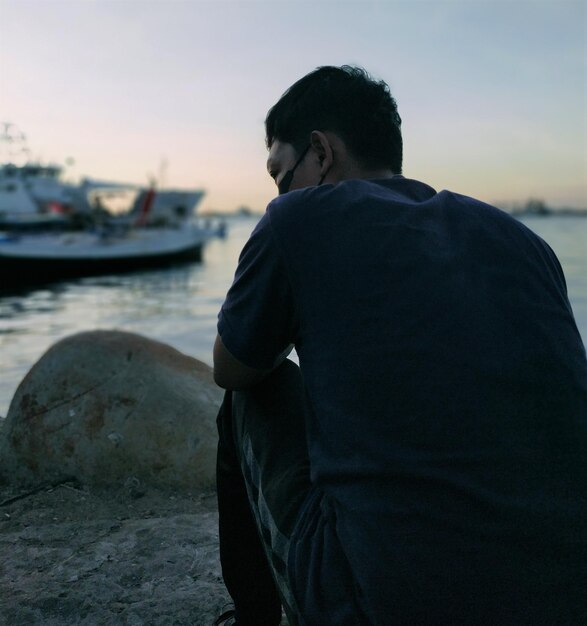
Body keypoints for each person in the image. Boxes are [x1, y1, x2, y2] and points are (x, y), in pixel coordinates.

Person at [212, 65, 587, 626]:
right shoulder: (520, 240)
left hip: (383, 603)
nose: (278, 191)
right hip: (566, 598)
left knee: (253, 393)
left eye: (278, 173)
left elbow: (231, 365)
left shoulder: (298, 218)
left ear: (320, 152)